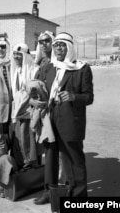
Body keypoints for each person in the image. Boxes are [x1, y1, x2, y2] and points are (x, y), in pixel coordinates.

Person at [34, 32, 94, 209]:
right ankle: (49, 192)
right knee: (50, 158)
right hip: (51, 121)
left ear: (69, 47)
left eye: (62, 45)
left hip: (71, 122)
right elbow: (39, 88)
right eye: (56, 45)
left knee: (74, 161)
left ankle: (78, 197)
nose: (58, 48)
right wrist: (36, 99)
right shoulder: (50, 68)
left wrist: (73, 96)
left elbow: (89, 97)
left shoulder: (82, 68)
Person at [10, 43, 39, 168]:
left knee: (28, 140)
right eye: (14, 54)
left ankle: (30, 164)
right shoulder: (16, 70)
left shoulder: (34, 70)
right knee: (18, 139)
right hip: (17, 111)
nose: (16, 57)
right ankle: (21, 164)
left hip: (28, 111)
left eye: (19, 55)